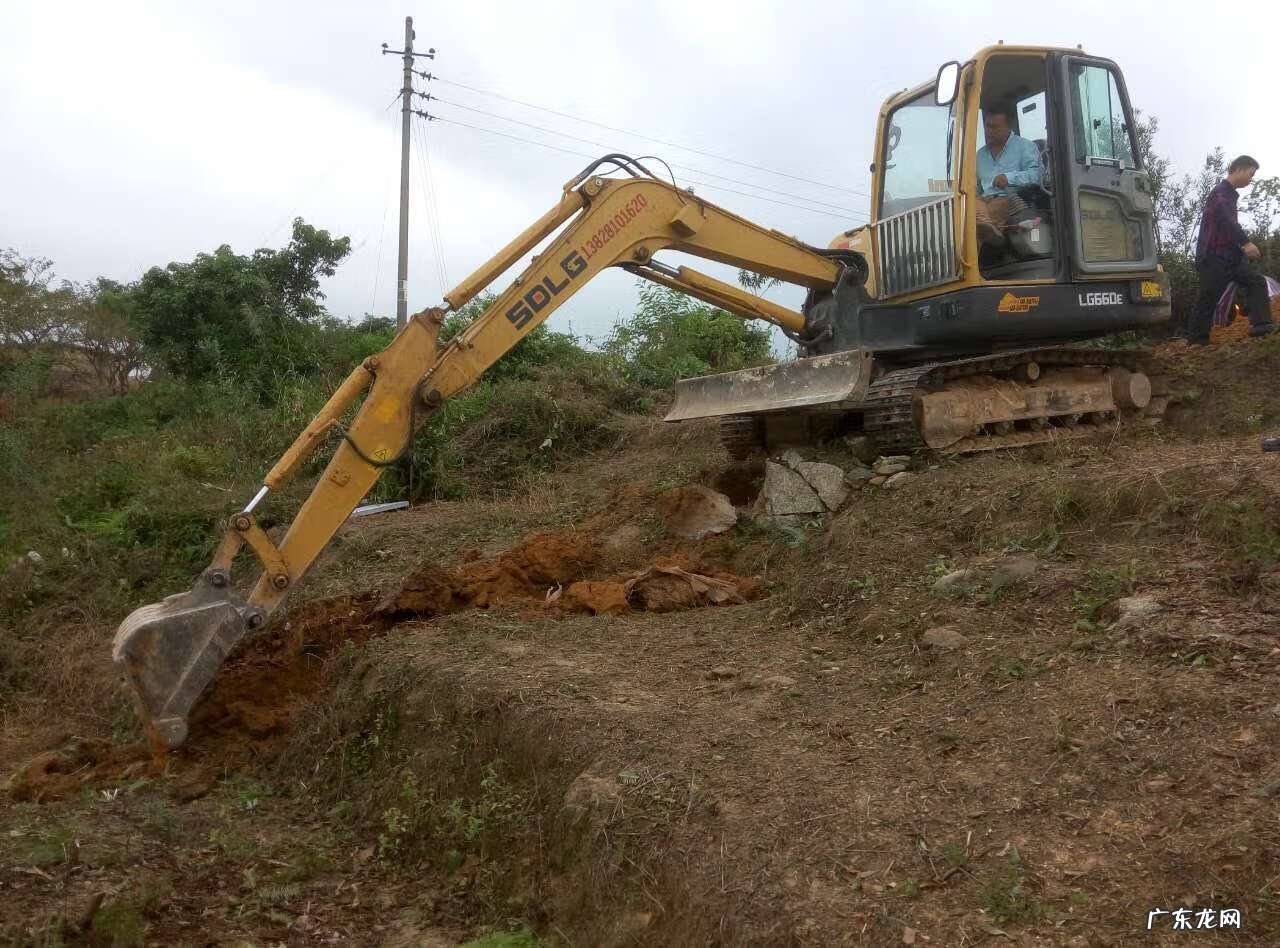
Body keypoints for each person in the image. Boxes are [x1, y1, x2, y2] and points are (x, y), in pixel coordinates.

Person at [1188, 155, 1276, 344]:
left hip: (1231, 257)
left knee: (1256, 281)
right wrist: (1246, 243)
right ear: (1239, 169)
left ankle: (1262, 326)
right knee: (1208, 297)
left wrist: (1239, 249)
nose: (1251, 179)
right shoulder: (1220, 193)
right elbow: (1225, 220)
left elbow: (1227, 227)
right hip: (1214, 257)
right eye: (1250, 174)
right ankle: (1196, 342)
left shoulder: (1229, 195)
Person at [975, 103, 1043, 246]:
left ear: (1009, 126)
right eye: (987, 126)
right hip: (983, 201)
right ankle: (987, 227)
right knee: (965, 209)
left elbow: (1038, 175)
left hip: (1008, 198)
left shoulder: (1025, 146)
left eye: (995, 127)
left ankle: (986, 232)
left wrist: (1009, 178)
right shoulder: (979, 156)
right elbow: (976, 188)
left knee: (969, 229)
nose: (989, 131)